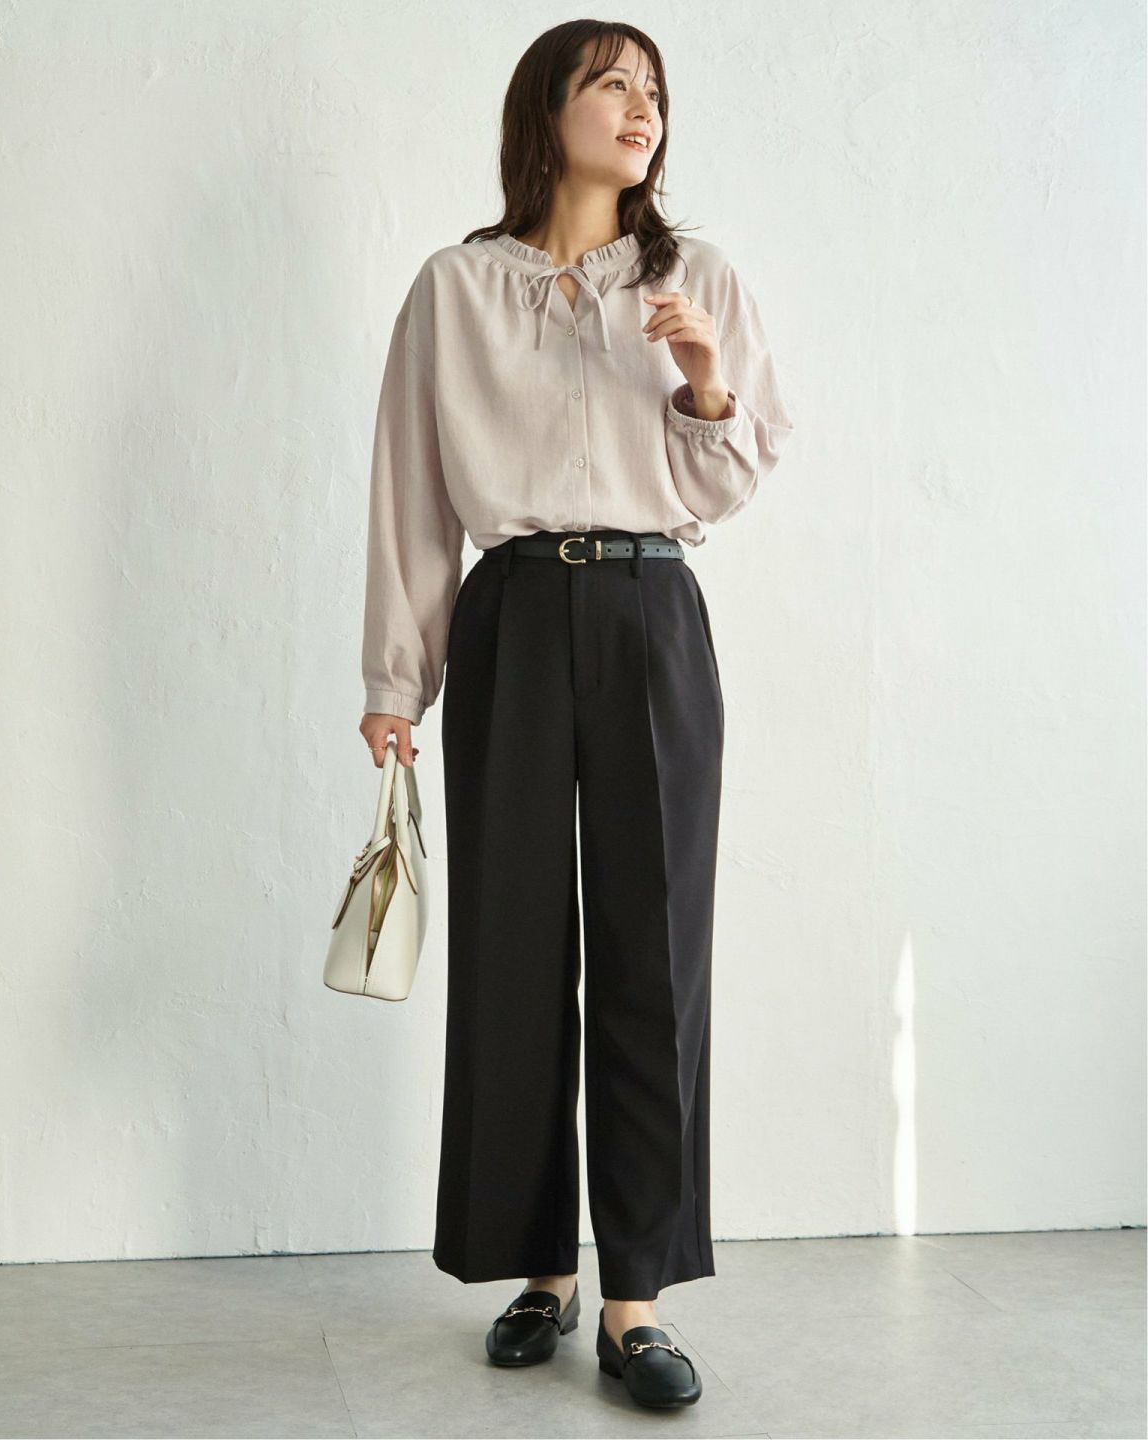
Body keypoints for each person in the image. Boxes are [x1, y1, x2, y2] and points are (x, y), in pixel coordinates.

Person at [357, 19, 795, 1411]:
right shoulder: (456, 289)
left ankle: (635, 1299)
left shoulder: (695, 277)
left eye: (653, 90)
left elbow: (729, 479)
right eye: (611, 84)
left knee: (656, 955)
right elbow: (411, 489)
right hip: (512, 614)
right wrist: (395, 681)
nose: (639, 108)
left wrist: (703, 380)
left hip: (653, 611)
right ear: (546, 110)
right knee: (514, 948)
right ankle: (538, 1268)